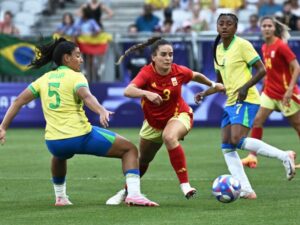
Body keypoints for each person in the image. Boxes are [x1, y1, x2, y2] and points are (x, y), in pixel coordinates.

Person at [0, 37, 158, 207]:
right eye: (77, 56)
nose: (81, 59)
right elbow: (87, 96)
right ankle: (134, 194)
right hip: (80, 137)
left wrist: (2, 127)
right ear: (66, 58)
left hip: (54, 142)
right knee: (130, 149)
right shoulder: (76, 76)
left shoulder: (44, 79)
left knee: (59, 156)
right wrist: (101, 110)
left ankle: (60, 198)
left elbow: (17, 101)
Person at [106, 37, 225, 205]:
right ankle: (127, 191)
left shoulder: (179, 71)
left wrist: (213, 83)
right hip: (153, 123)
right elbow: (128, 90)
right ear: (153, 57)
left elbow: (196, 75)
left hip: (179, 115)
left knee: (169, 137)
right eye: (164, 54)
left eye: (171, 54)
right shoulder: (147, 73)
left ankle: (185, 185)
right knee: (144, 160)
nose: (168, 58)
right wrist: (146, 93)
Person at [194, 13, 296, 199]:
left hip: (247, 98)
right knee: (227, 146)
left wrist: (245, 87)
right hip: (231, 101)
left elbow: (262, 70)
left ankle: (284, 156)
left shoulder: (243, 45)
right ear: (217, 27)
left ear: (235, 27)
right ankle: (247, 190)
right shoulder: (217, 49)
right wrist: (205, 92)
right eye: (221, 23)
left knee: (236, 139)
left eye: (229, 24)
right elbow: (220, 83)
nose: (224, 27)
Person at [241, 16, 300, 168]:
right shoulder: (264, 47)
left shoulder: (281, 46)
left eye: (269, 26)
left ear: (274, 28)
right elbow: (269, 71)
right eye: (264, 26)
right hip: (269, 92)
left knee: (297, 125)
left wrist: (289, 90)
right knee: (257, 121)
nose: (266, 28)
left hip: (285, 94)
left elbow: (297, 67)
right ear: (261, 28)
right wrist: (264, 87)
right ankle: (252, 157)